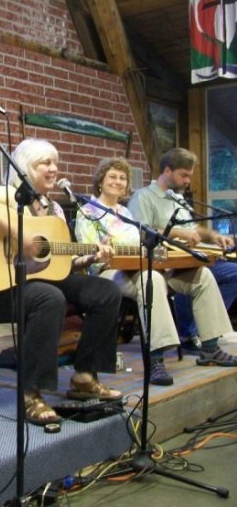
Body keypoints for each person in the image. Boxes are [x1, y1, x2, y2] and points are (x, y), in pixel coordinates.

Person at [0, 138, 123, 426]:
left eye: (54, 162)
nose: (53, 168)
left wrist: (90, 258)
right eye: (44, 162)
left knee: (105, 291)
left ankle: (84, 376)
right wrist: (19, 236)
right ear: (23, 167)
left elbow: (58, 263)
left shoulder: (54, 210)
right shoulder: (6, 195)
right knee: (49, 297)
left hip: (38, 283)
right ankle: (31, 393)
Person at [75, 157, 236, 386]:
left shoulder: (124, 212)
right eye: (112, 176)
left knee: (202, 276)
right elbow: (93, 257)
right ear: (100, 181)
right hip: (109, 273)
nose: (118, 182)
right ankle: (156, 359)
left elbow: (141, 244)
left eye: (123, 178)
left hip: (141, 267)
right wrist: (103, 248)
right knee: (152, 280)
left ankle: (210, 348)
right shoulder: (87, 212)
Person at [128, 147, 237, 363]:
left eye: (189, 175)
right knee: (197, 271)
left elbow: (194, 231)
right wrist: (178, 232)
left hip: (187, 260)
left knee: (225, 273)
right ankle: (187, 333)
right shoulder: (144, 197)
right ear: (167, 171)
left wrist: (213, 236)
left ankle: (209, 344)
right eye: (183, 175)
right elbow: (140, 233)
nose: (188, 180)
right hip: (161, 264)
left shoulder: (176, 198)